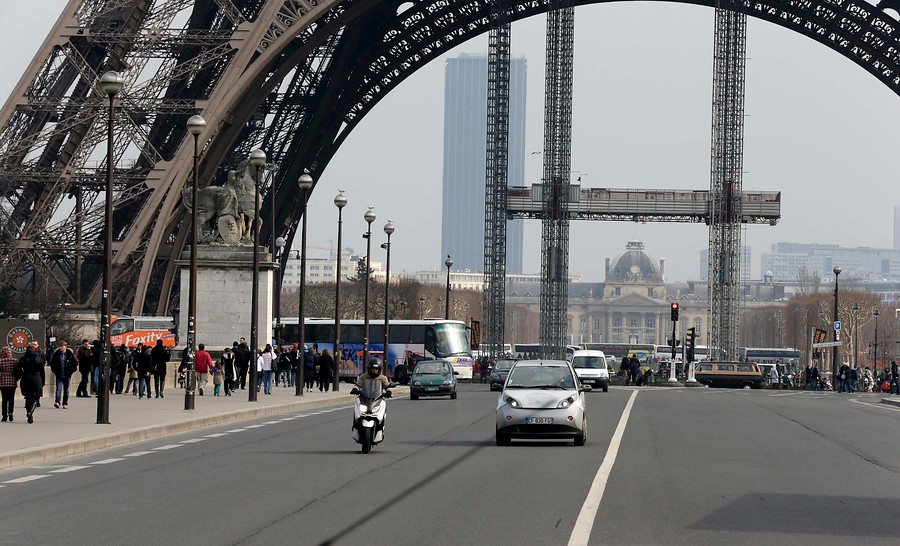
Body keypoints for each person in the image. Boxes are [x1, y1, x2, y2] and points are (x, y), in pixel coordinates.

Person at [16, 341, 46, 424]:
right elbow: (42, 370)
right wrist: (43, 381)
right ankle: (31, 412)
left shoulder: (23, 359)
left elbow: (18, 369)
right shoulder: (38, 359)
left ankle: (28, 411)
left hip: (26, 377)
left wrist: (20, 376)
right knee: (35, 397)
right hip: (36, 378)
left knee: (27, 396)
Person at [49, 340, 77, 409]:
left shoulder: (70, 354)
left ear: (65, 347)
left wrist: (71, 371)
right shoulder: (57, 354)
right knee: (58, 389)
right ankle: (57, 402)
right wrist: (55, 371)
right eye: (60, 346)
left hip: (67, 375)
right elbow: (52, 364)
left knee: (66, 390)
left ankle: (65, 403)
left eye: (62, 346)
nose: (61, 348)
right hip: (59, 374)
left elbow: (74, 364)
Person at [1, 347, 18, 422]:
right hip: (12, 382)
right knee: (11, 399)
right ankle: (11, 412)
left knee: (4, 399)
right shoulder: (14, 361)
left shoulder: (0, 361)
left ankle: (4, 416)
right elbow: (18, 371)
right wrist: (15, 378)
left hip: (3, 382)